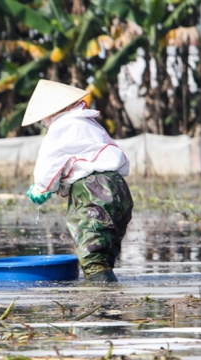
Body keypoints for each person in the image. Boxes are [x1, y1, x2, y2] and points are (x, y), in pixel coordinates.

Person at [21, 79, 133, 283]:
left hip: (92, 189)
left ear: (50, 114)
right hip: (119, 188)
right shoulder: (89, 123)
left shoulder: (60, 127)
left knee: (92, 256)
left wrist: (41, 188)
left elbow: (50, 161)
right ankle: (111, 304)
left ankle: (101, 301)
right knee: (106, 251)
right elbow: (117, 158)